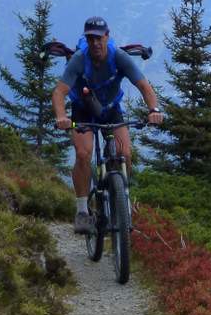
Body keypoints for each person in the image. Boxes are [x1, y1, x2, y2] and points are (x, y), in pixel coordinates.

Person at [52, 15, 164, 233]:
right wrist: (61, 116)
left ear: (107, 36)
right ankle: (83, 212)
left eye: (99, 38)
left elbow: (144, 85)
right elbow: (59, 92)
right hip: (83, 110)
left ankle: (122, 199)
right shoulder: (79, 59)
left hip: (111, 110)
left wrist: (154, 110)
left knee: (126, 153)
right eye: (90, 38)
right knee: (84, 153)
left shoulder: (119, 57)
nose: (95, 43)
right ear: (87, 39)